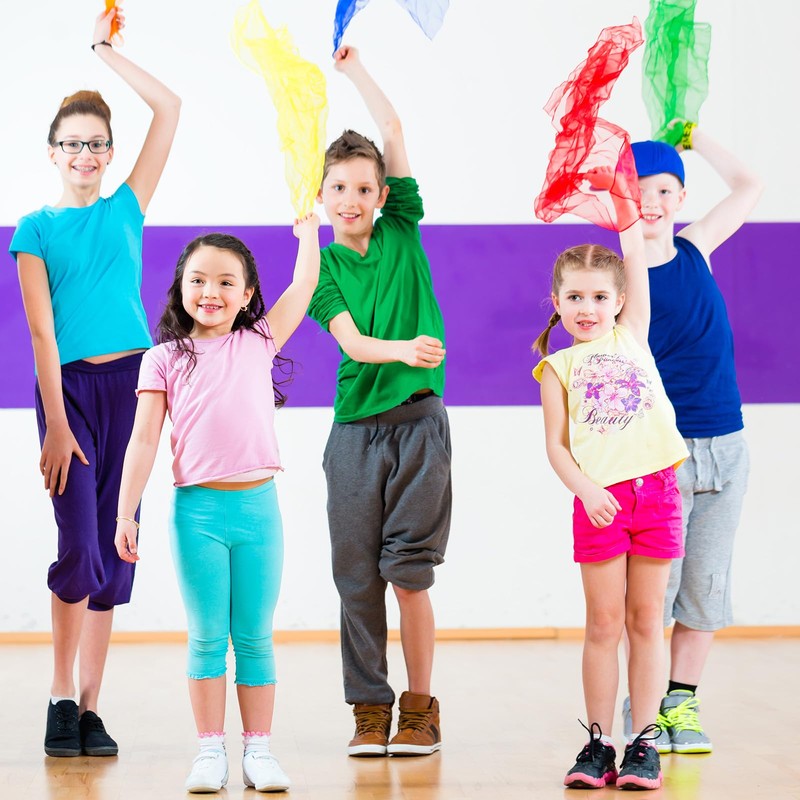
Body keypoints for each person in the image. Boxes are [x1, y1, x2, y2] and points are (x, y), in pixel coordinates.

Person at [8, 7, 180, 758]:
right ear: (53, 151)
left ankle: (90, 708)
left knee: (113, 553)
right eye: (73, 143)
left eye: (97, 143)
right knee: (78, 546)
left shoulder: (126, 208)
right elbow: (41, 333)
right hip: (70, 395)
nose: (85, 153)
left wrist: (107, 53)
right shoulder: (35, 230)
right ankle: (57, 695)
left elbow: (170, 108)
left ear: (110, 153)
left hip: (135, 391)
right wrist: (55, 420)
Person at [114, 220, 319, 793]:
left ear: (248, 294)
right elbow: (144, 440)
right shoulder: (161, 359)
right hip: (197, 516)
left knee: (253, 636)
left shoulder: (258, 341)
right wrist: (126, 512)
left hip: (259, 513)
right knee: (207, 638)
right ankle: (210, 751)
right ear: (181, 286)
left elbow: (304, 285)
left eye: (227, 282)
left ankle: (259, 750)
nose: (211, 291)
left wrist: (309, 231)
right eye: (199, 279)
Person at [307, 45, 451, 758]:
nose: (352, 199)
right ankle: (370, 708)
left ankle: (420, 710)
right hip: (355, 437)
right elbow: (354, 343)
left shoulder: (401, 227)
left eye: (365, 187)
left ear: (382, 195)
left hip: (419, 428)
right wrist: (404, 350)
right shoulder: (321, 267)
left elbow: (391, 126)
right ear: (322, 194)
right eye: (339, 187)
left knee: (408, 574)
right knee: (357, 579)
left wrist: (353, 69)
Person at [532, 167, 689, 790]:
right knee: (603, 623)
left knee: (647, 621)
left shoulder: (634, 336)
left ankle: (644, 741)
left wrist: (621, 195)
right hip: (600, 501)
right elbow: (556, 447)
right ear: (557, 302)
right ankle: (598, 743)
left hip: (658, 496)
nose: (587, 308)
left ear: (619, 301)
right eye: (575, 297)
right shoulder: (556, 368)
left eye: (599, 297)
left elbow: (633, 255)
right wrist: (588, 490)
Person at [621, 125, 763, 754]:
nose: (652, 201)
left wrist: (695, 137)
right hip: (662, 453)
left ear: (681, 197)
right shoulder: (621, 273)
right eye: (639, 190)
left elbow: (750, 185)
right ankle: (644, 708)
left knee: (705, 587)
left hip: (726, 448)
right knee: (655, 592)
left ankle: (681, 702)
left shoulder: (696, 247)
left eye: (664, 190)